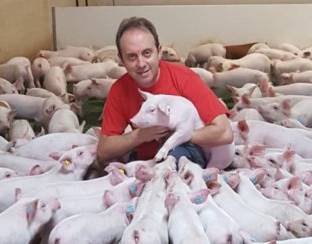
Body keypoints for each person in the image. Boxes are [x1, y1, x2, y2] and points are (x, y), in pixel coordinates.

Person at [96, 16, 233, 168]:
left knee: (177, 156)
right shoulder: (119, 89)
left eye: (147, 53)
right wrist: (140, 136)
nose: (141, 64)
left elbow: (224, 132)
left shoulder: (184, 78)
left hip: (185, 155)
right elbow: (104, 151)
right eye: (132, 57)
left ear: (159, 52)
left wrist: (181, 135)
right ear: (121, 59)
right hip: (148, 160)